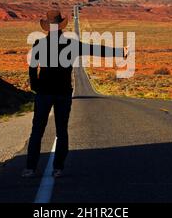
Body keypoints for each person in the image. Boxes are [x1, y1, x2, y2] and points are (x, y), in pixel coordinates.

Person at [22, 10, 126, 178]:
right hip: (62, 93)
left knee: (37, 131)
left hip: (44, 93)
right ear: (61, 27)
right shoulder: (70, 44)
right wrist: (120, 52)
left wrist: (36, 87)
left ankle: (30, 168)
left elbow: (32, 69)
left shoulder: (39, 44)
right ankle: (58, 168)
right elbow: (94, 49)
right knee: (61, 131)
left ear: (47, 28)